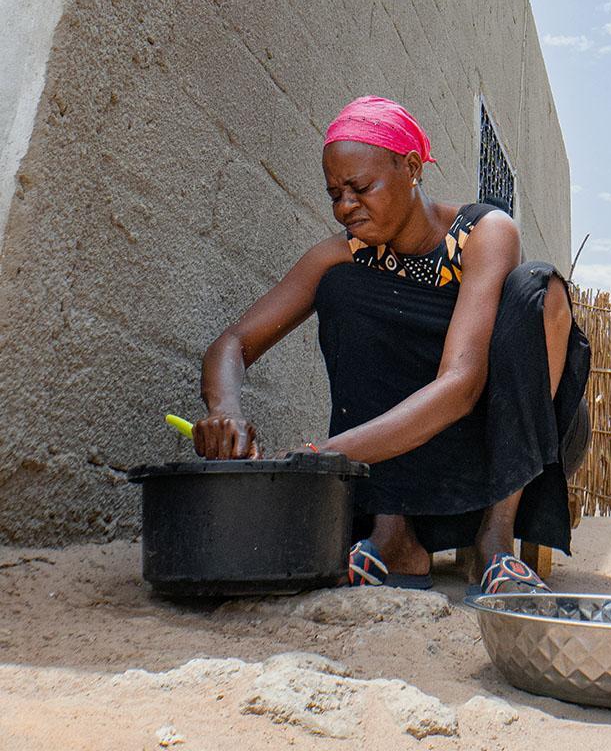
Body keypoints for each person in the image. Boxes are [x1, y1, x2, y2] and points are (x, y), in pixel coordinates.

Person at [194, 96, 590, 593]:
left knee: (539, 289)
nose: (345, 206)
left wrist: (321, 455)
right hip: (414, 443)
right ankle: (394, 534)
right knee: (341, 286)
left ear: (410, 168)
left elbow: (462, 384)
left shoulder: (484, 232)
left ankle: (495, 539)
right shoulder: (343, 256)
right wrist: (224, 409)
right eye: (334, 193)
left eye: (360, 188)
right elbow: (233, 341)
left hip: (515, 434)